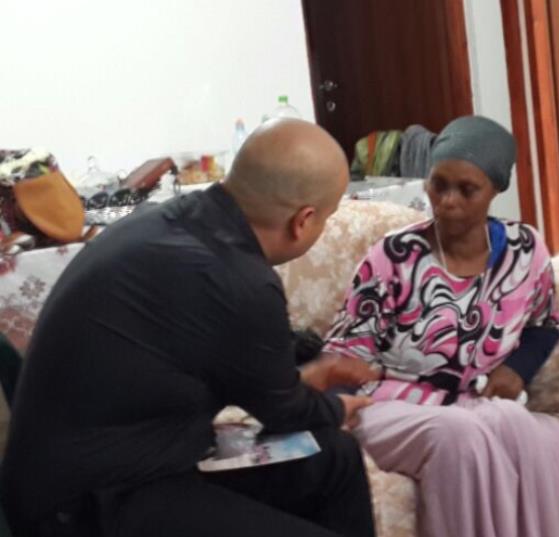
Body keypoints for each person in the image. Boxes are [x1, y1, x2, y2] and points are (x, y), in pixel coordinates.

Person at [0, 119, 380, 537]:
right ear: (303, 220)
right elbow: (283, 410)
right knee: (328, 441)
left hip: (139, 460)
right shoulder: (239, 279)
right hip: (85, 502)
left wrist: (305, 382)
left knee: (335, 459)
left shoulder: (163, 224)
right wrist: (337, 405)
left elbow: (253, 381)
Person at [323, 116, 559, 537]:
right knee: (459, 434)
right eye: (438, 184)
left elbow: (544, 323)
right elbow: (346, 349)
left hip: (471, 404)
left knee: (530, 432)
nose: (447, 201)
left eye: (466, 189)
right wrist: (329, 415)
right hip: (386, 404)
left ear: (496, 189)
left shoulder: (524, 250)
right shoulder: (396, 255)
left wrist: (517, 369)